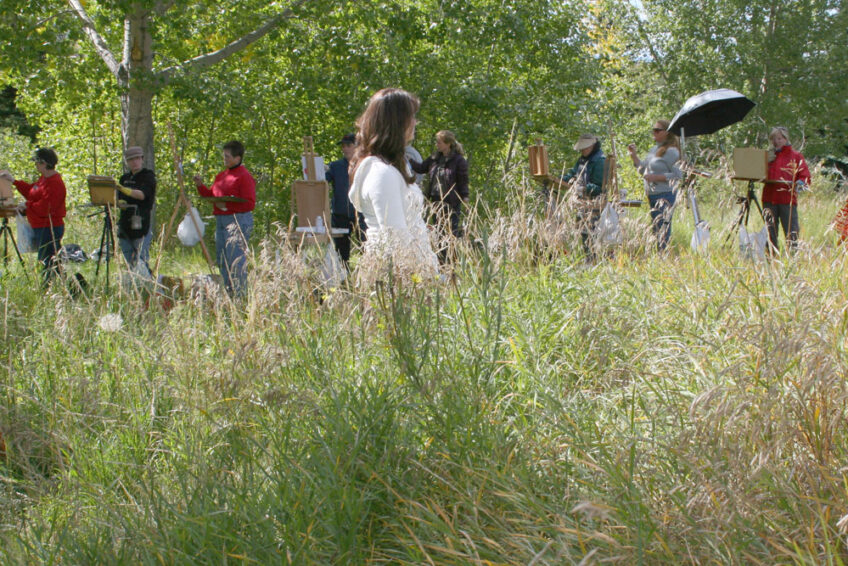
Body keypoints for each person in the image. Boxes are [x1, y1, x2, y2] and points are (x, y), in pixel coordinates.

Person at [348, 88, 438, 284]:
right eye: (410, 117)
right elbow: (397, 240)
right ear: (396, 122)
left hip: (408, 278)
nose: (415, 122)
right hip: (400, 281)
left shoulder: (391, 167)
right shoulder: (382, 173)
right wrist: (428, 282)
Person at [193, 140, 256, 297]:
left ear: (237, 158)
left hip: (237, 220)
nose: (225, 159)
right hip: (221, 220)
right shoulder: (221, 176)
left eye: (228, 156)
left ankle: (240, 296)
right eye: (224, 156)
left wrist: (228, 206)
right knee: (222, 259)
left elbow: (249, 203)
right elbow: (211, 195)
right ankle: (228, 293)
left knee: (235, 260)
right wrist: (200, 186)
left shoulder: (244, 176)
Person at [2, 148, 66, 284]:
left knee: (47, 262)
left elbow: (46, 208)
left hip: (50, 228)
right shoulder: (44, 179)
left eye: (37, 163)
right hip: (41, 227)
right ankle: (59, 287)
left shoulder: (55, 182)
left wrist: (27, 206)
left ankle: (50, 290)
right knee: (48, 261)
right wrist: (14, 181)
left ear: (44, 163)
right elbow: (32, 192)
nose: (36, 165)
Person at [409, 130, 469, 262]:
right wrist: (407, 160)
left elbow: (463, 181)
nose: (436, 145)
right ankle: (441, 261)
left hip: (451, 202)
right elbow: (420, 168)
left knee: (450, 232)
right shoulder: (434, 159)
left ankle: (452, 262)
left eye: (439, 142)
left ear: (447, 144)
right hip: (436, 201)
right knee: (438, 231)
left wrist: (465, 198)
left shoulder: (459, 161)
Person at [627, 119, 682, 252]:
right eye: (653, 130)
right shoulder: (654, 150)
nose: (654, 132)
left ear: (667, 133)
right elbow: (642, 170)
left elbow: (678, 175)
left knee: (663, 227)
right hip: (652, 194)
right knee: (656, 227)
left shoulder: (672, 151)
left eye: (658, 130)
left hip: (666, 194)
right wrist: (634, 156)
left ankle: (663, 255)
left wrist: (656, 177)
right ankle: (660, 254)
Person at [761, 126, 811, 254]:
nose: (776, 142)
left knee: (791, 231)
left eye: (779, 138)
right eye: (774, 139)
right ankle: (771, 257)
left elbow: (805, 176)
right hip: (769, 199)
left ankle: (792, 259)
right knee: (770, 231)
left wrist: (800, 183)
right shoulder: (768, 156)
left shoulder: (796, 156)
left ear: (785, 138)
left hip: (786, 199)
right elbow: (758, 173)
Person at [560, 133, 605, 262]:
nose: (583, 150)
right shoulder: (582, 160)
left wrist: (580, 186)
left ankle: (593, 259)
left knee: (590, 232)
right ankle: (589, 258)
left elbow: (599, 187)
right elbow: (572, 175)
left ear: (593, 146)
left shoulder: (600, 161)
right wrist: (560, 179)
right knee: (582, 231)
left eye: (586, 148)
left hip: (594, 202)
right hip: (582, 201)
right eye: (582, 148)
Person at [116, 146, 156, 272]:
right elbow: (117, 198)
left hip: (141, 223)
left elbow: (142, 195)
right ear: (127, 162)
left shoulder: (148, 176)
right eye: (131, 159)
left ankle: (145, 284)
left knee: (141, 260)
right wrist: (119, 202)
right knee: (129, 260)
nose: (134, 162)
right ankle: (132, 286)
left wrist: (125, 190)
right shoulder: (124, 178)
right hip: (125, 224)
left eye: (137, 158)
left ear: (142, 159)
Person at [325, 133, 363, 265]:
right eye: (343, 146)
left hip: (360, 213)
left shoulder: (364, 165)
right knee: (341, 252)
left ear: (357, 147)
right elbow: (321, 181)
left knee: (366, 247)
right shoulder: (335, 166)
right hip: (340, 215)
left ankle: (366, 279)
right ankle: (343, 280)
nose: (345, 149)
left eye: (348, 145)